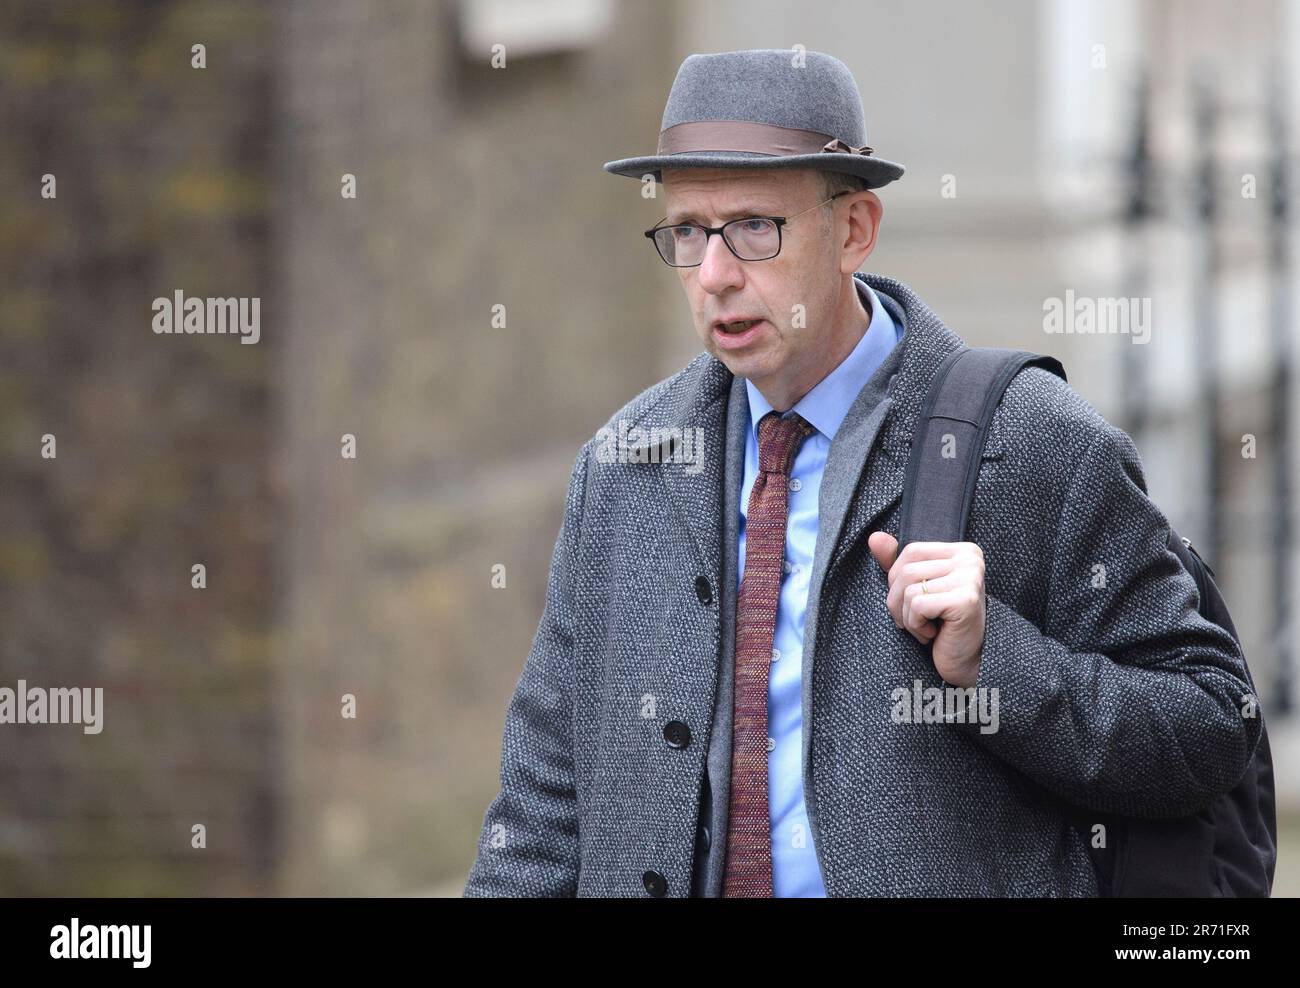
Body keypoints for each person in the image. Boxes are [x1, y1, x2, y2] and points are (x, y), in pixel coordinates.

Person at [463, 48, 1261, 897]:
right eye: (689, 231)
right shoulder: (625, 464)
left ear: (854, 230)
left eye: (754, 229)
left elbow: (1212, 726)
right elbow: (544, 805)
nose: (716, 275)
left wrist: (999, 661)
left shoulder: (1032, 442)